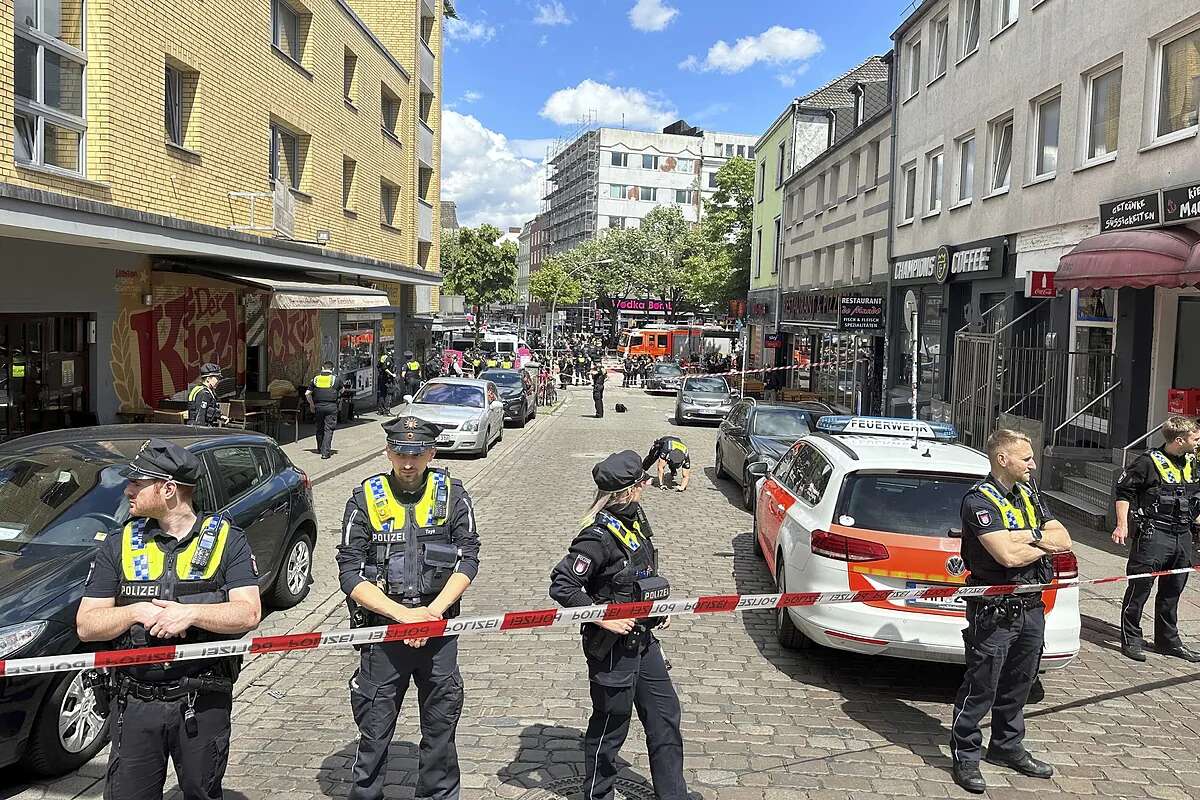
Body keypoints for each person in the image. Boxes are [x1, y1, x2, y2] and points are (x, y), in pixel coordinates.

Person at [76, 439, 261, 800]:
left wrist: (190, 613)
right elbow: (86, 624)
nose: (128, 489)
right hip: (134, 702)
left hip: (201, 699)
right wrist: (134, 611)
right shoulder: (119, 543)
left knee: (201, 792)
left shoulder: (227, 540)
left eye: (138, 483)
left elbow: (249, 612)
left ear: (169, 489)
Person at [336, 416, 481, 800]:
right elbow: (350, 574)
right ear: (387, 452)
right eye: (400, 452)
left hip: (439, 632)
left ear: (431, 453)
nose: (407, 463)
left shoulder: (452, 494)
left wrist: (431, 614)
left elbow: (468, 559)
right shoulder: (365, 498)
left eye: (416, 454)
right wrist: (404, 617)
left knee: (440, 732)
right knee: (374, 733)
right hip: (384, 635)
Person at [549, 450, 687, 800]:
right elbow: (562, 584)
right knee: (612, 726)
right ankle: (598, 795)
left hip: (645, 640)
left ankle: (673, 794)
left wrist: (657, 609)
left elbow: (639, 577)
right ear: (626, 491)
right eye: (641, 484)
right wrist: (601, 614)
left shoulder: (635, 520)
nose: (645, 488)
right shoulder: (597, 537)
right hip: (612, 650)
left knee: (665, 714)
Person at [948, 429, 1073, 794]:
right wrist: (1038, 539)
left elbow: (1064, 540)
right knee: (980, 687)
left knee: (1020, 683)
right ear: (1003, 459)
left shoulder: (1030, 494)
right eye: (1026, 458)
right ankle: (966, 756)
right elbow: (1007, 556)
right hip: (995, 611)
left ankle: (1006, 746)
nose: (1033, 464)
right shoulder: (978, 502)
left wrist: (1025, 536)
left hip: (1032, 606)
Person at [1112, 415, 1200, 662]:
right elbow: (1124, 491)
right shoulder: (1146, 462)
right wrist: (1121, 525)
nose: (1199, 442)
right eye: (1196, 438)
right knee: (1139, 589)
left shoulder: (1194, 462)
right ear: (1180, 440)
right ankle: (1131, 639)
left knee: (1173, 591)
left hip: (1183, 535)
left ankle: (1167, 641)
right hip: (1154, 535)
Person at [308, 360, 343, 460]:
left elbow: (307, 393)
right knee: (328, 429)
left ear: (323, 368)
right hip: (331, 406)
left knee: (319, 428)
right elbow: (342, 390)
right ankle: (325, 452)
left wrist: (311, 405)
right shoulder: (336, 379)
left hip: (318, 406)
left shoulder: (315, 379)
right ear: (332, 369)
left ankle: (319, 448)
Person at [186, 363, 225, 427]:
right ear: (208, 379)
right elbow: (200, 416)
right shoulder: (204, 393)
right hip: (199, 429)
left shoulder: (198, 389)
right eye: (217, 378)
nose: (218, 381)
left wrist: (220, 416)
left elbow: (208, 410)